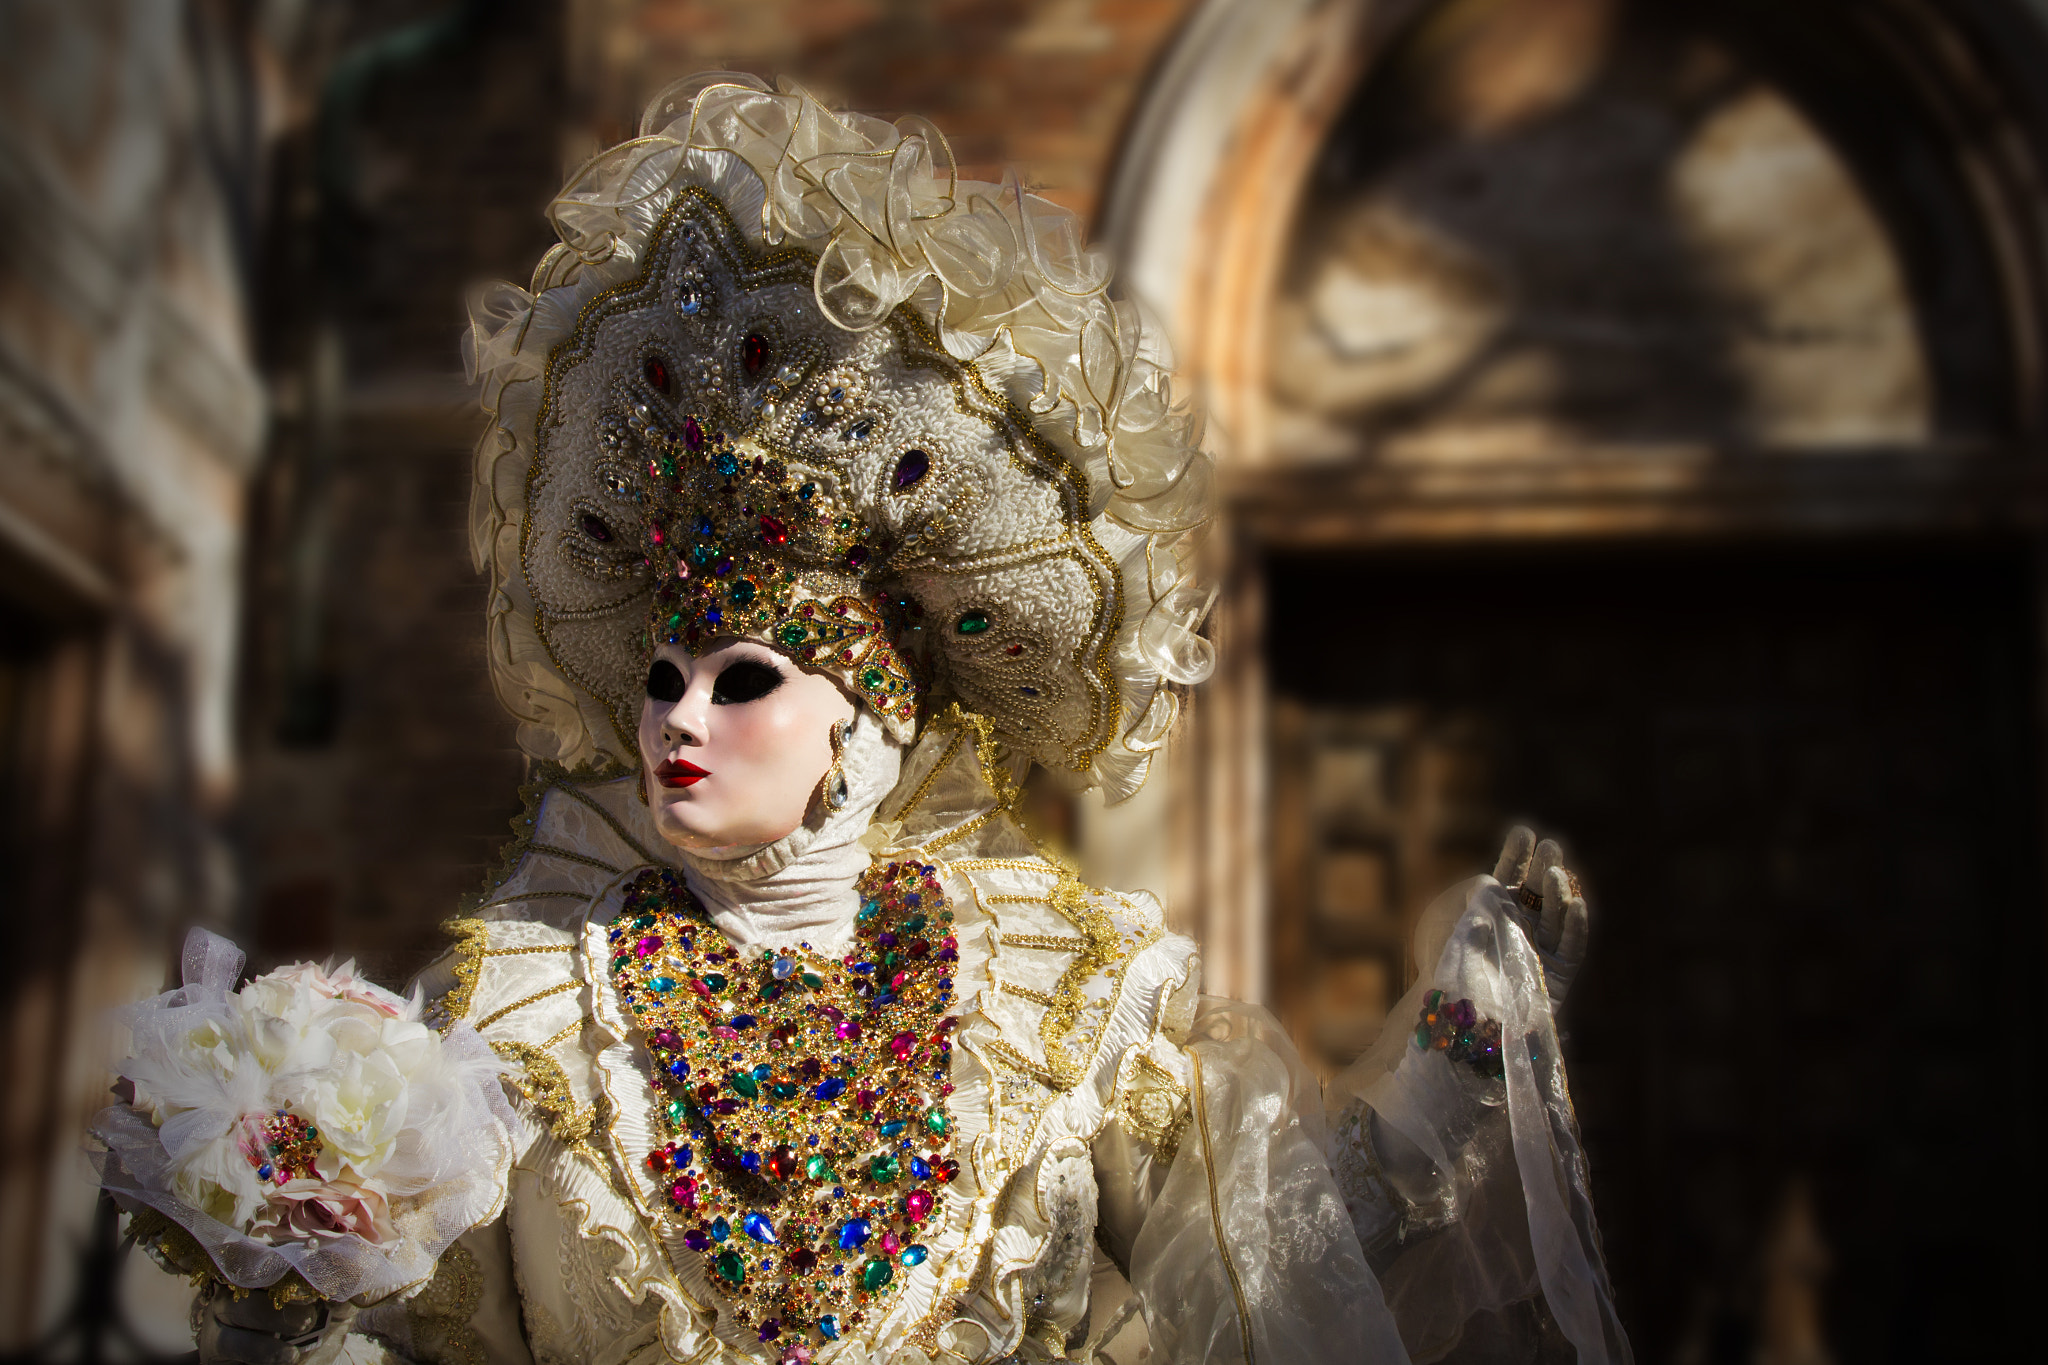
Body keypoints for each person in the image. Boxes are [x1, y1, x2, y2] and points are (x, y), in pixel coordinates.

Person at [196, 74, 1630, 1365]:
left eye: (745, 676)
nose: (677, 715)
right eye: (661, 676)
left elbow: (1282, 1269)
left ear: (871, 725)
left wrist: (1466, 1037)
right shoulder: (512, 1015)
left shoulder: (1066, 1000)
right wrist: (284, 1280)